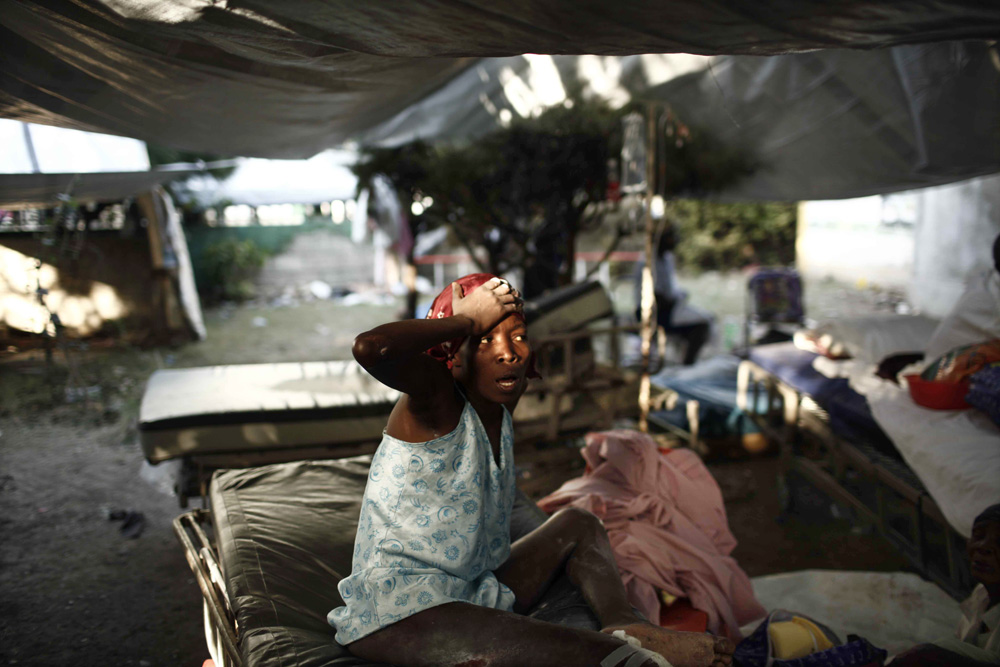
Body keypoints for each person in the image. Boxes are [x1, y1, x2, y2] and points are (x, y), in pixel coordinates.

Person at [329, 273, 734, 667]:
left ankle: (625, 624)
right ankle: (626, 650)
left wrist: (483, 325)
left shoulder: (500, 406)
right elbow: (371, 347)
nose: (510, 352)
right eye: (486, 340)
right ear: (452, 356)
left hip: (470, 591)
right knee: (587, 652)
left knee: (578, 522)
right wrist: (466, 318)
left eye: (518, 336)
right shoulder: (435, 404)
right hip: (401, 611)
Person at [890, 503, 1000, 666]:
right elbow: (960, 640)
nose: (983, 547)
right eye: (978, 536)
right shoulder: (981, 594)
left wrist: (930, 654)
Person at [635, 225, 714, 366]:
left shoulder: (667, 258)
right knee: (700, 327)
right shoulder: (647, 261)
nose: (673, 241)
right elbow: (655, 297)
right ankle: (687, 365)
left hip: (669, 309)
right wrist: (674, 301)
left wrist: (679, 298)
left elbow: (670, 289)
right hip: (653, 312)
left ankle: (687, 363)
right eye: (670, 238)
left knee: (706, 320)